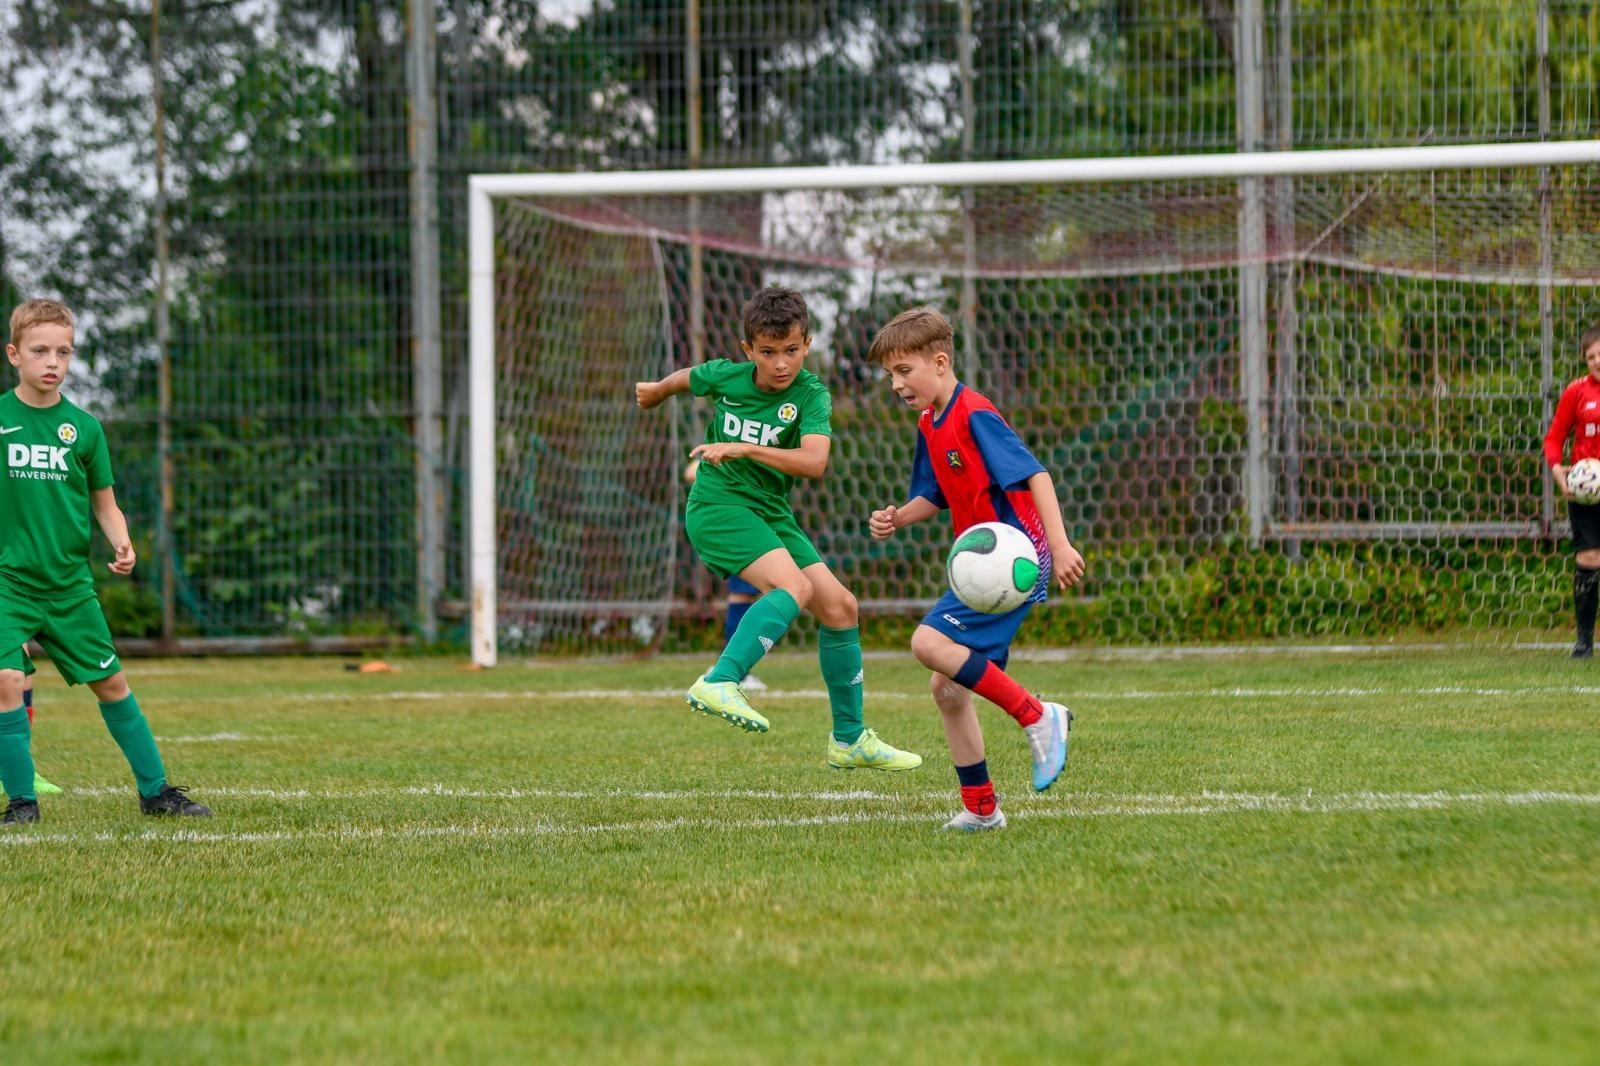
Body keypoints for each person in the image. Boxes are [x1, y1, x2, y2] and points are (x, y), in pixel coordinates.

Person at [635, 285, 921, 771]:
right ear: (749, 351)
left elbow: (814, 461)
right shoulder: (730, 376)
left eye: (791, 350)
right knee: (794, 586)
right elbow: (693, 377)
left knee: (840, 607)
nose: (781, 363)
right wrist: (657, 391)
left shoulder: (812, 395)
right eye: (768, 353)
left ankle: (849, 739)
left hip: (769, 511)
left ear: (807, 345)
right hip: (719, 505)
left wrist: (744, 448)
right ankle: (722, 679)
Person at [866, 306, 1086, 831]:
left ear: (939, 362)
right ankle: (983, 809)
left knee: (927, 644)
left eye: (903, 371)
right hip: (984, 564)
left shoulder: (974, 413)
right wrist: (899, 516)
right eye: (890, 375)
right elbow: (937, 493)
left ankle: (1038, 715)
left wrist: (1058, 545)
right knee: (947, 689)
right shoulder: (931, 422)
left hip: (1013, 562)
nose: (896, 384)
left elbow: (1038, 476)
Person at [0, 298, 212, 825]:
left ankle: (156, 792)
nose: (53, 362)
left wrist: (123, 541)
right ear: (14, 354)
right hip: (8, 584)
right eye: (40, 350)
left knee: (112, 684)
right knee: (5, 680)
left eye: (64, 352)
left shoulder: (84, 429)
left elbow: (105, 502)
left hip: (69, 587)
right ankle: (23, 803)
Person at [682, 456, 765, 691]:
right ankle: (733, 671)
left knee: (751, 595)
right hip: (738, 523)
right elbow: (691, 472)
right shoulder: (729, 444)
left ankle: (734, 669)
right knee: (742, 595)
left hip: (757, 521)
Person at [1543, 323, 1600, 659]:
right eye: (1591, 356)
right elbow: (1553, 438)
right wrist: (1558, 472)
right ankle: (1583, 641)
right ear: (1585, 360)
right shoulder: (1576, 392)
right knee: (1588, 558)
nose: (1598, 361)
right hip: (1585, 493)